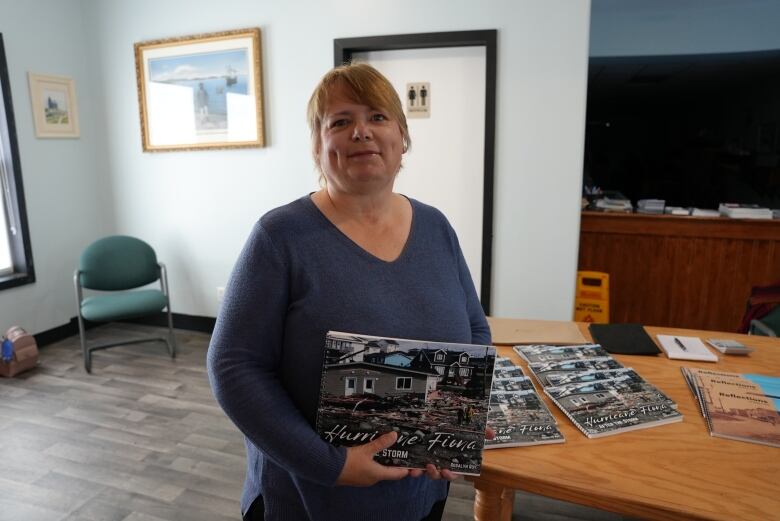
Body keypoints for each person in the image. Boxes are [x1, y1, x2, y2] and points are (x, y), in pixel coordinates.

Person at [207, 63, 490, 521]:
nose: (362, 132)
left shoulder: (437, 227)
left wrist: (455, 424)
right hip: (312, 498)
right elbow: (233, 367)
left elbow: (475, 327)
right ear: (319, 147)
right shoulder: (281, 236)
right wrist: (329, 464)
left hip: (420, 492)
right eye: (340, 122)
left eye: (377, 117)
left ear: (402, 138)